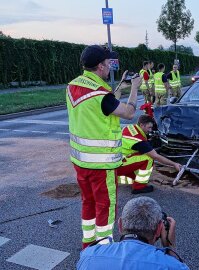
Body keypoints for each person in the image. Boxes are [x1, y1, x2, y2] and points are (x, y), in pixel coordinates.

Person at [66, 45, 142, 249]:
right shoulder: (101, 95)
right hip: (101, 164)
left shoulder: (73, 85)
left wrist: (119, 88)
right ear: (100, 66)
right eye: (108, 63)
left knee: (88, 203)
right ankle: (104, 249)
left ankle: (88, 243)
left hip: (81, 162)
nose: (110, 67)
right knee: (106, 207)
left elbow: (104, 105)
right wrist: (134, 88)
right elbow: (127, 113)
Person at [77, 196, 189, 270]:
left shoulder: (88, 255)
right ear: (159, 229)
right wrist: (171, 247)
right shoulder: (171, 265)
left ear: (120, 225)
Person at [117, 114, 182, 194]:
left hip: (115, 161)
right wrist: (174, 164)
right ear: (141, 125)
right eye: (149, 127)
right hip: (119, 166)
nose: (150, 130)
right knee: (148, 158)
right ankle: (139, 187)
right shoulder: (139, 141)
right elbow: (155, 156)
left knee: (139, 158)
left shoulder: (130, 127)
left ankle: (129, 178)